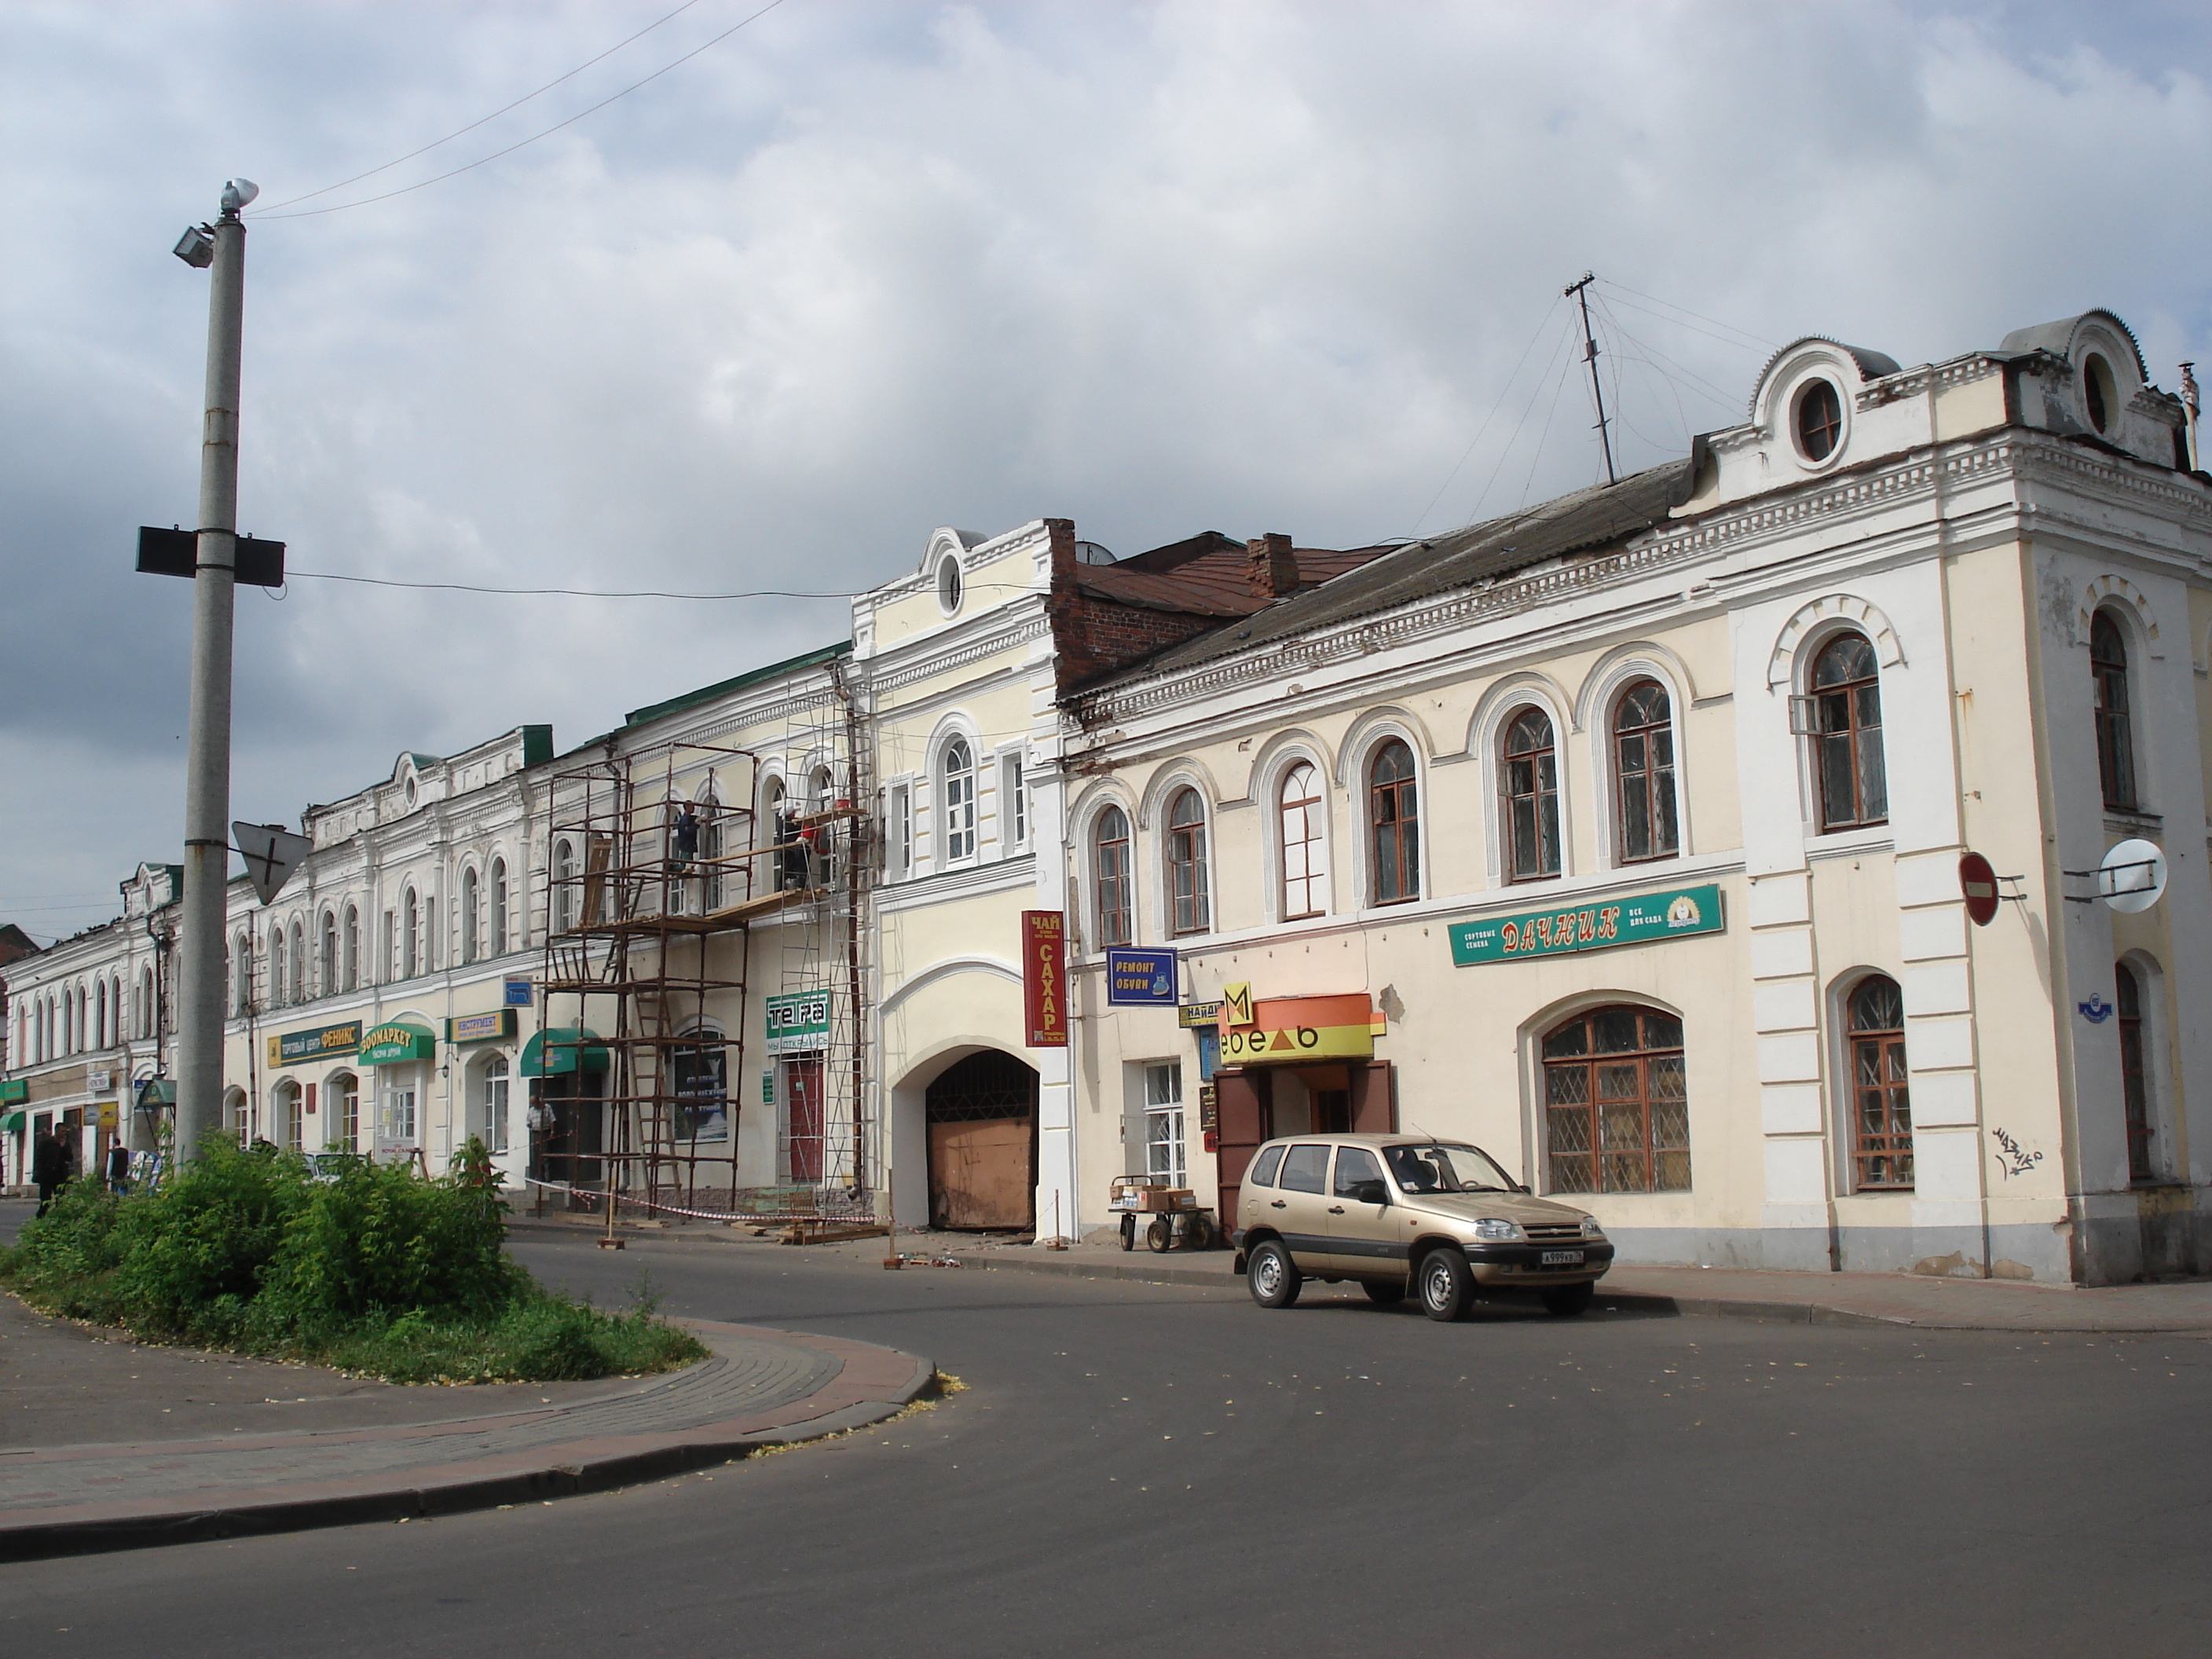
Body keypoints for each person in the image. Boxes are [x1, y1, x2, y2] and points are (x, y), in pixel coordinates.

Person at [31, 1126, 68, 1217]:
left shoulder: (65, 1144)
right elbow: (39, 1159)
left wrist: (63, 1147)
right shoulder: (45, 1143)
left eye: (65, 1131)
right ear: (57, 1131)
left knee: (61, 1199)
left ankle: (60, 1219)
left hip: (60, 1176)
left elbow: (69, 1158)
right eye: (62, 1131)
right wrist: (39, 1173)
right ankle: (40, 1217)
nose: (64, 1133)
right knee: (45, 1200)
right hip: (46, 1175)